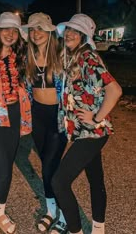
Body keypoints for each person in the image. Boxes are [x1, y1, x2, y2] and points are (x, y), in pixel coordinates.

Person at [50, 14, 122, 234]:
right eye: (69, 30)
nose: (70, 34)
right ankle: (99, 227)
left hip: (93, 132)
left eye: (76, 31)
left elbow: (115, 90)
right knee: (95, 178)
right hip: (83, 132)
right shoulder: (72, 57)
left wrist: (96, 117)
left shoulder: (88, 58)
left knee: (59, 182)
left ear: (84, 37)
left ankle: (75, 230)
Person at [0, 12, 32, 234]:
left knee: (7, 169)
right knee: (0, 172)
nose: (10, 34)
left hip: (14, 114)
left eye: (14, 30)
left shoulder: (20, 56)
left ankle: (0, 212)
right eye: (6, 29)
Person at [22, 12, 68, 234]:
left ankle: (65, 214)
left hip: (58, 116)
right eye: (32, 29)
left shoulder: (62, 55)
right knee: (47, 165)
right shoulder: (27, 58)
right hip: (36, 115)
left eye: (40, 28)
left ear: (50, 31)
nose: (36, 33)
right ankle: (51, 210)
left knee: (50, 166)